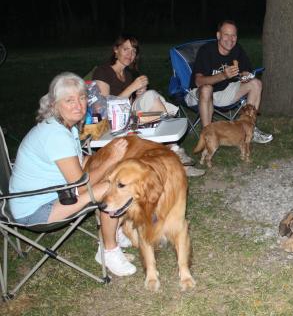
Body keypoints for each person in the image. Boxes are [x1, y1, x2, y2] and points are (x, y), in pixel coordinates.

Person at [9, 72, 137, 276]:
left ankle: (114, 231)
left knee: (113, 174)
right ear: (54, 104)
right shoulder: (55, 135)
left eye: (82, 98)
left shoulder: (67, 128)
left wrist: (108, 160)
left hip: (52, 195)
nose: (78, 105)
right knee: (113, 187)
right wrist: (111, 159)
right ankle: (108, 251)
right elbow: (79, 186)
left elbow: (82, 163)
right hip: (35, 210)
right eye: (69, 100)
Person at [93, 35, 204, 177]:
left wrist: (139, 94)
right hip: (111, 121)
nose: (130, 54)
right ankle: (175, 152)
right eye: (125, 49)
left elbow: (130, 103)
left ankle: (173, 152)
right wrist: (133, 88)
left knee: (151, 95)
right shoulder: (103, 71)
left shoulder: (128, 74)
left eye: (133, 51)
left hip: (129, 116)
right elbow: (103, 108)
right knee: (152, 97)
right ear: (116, 50)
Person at [188, 20, 273, 144]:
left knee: (256, 83)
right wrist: (223, 75)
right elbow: (198, 81)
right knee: (207, 89)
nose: (230, 39)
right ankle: (208, 135)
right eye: (226, 35)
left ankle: (249, 129)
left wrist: (246, 75)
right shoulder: (206, 51)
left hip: (225, 91)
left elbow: (246, 71)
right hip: (200, 95)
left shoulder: (237, 50)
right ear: (218, 35)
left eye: (233, 35)